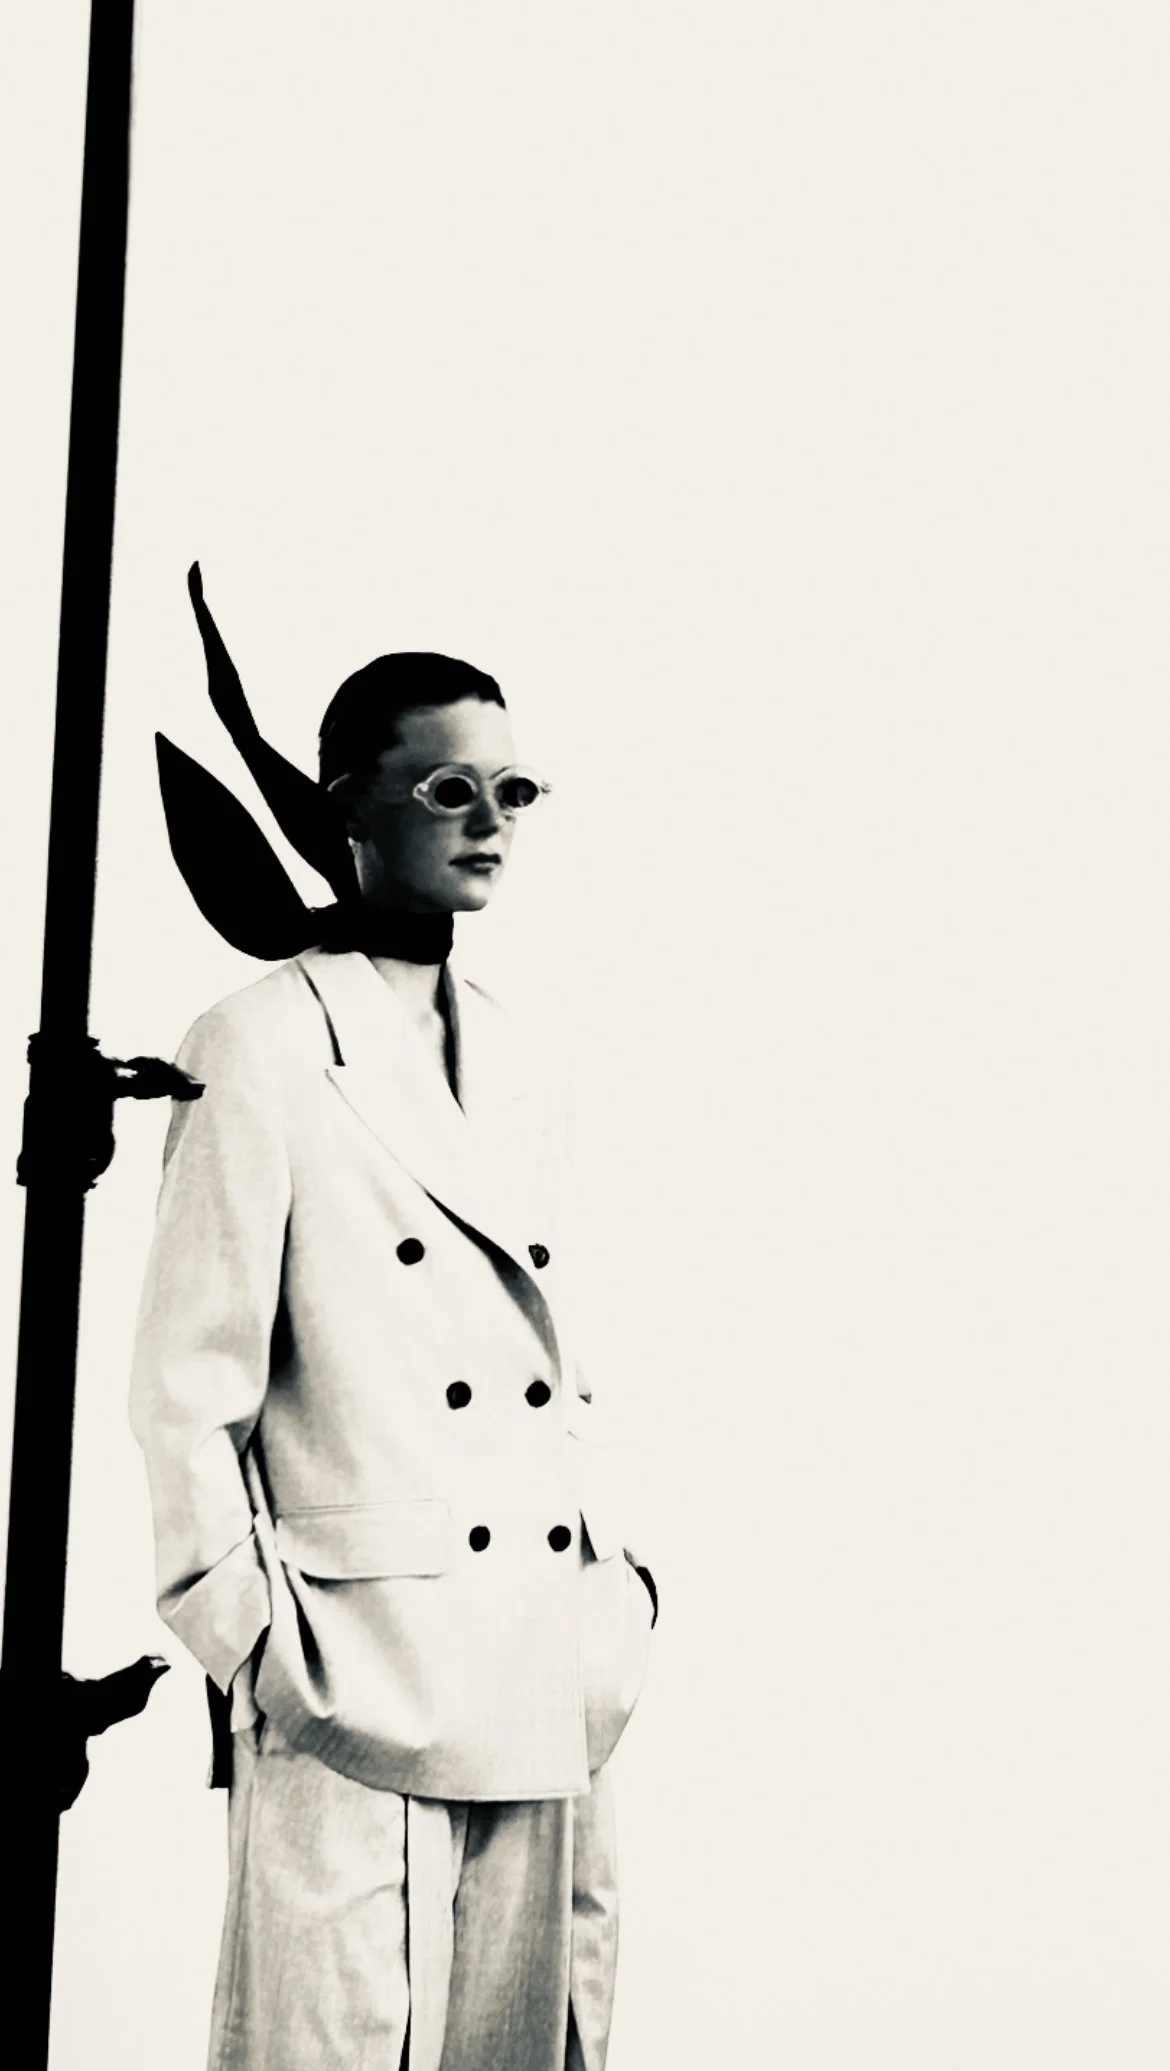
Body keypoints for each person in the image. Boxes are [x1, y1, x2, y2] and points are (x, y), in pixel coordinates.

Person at [129, 592, 656, 2071]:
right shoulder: (257, 1043)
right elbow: (187, 1388)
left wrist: (621, 1596)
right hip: (358, 1666)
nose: (488, 822)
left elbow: (554, 1354)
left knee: (534, 2042)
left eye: (512, 790)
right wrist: (255, 1643)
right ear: (347, 805)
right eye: (446, 790)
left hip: (544, 1655)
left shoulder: (528, 1053)